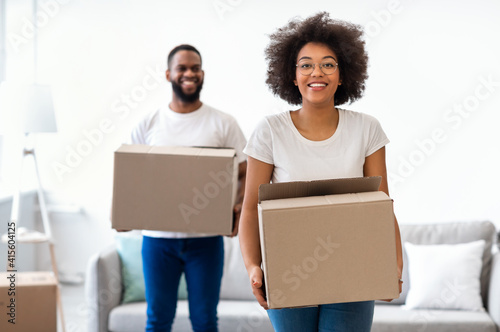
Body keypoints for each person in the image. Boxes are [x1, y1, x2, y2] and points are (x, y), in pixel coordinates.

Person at [238, 12, 403, 332]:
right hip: (288, 268)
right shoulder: (269, 130)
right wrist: (253, 266)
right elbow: (249, 209)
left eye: (328, 64)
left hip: (353, 265)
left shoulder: (367, 129)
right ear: (292, 75)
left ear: (343, 75)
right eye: (306, 64)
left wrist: (392, 265)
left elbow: (382, 204)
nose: (318, 72)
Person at [128, 44, 247, 332]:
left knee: (205, 320)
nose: (189, 73)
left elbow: (245, 172)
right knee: (158, 319)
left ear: (202, 74)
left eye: (195, 67)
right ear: (169, 74)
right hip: (158, 240)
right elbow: (130, 175)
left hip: (205, 240)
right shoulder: (149, 123)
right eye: (182, 68)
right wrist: (125, 213)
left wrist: (239, 207)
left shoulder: (224, 123)